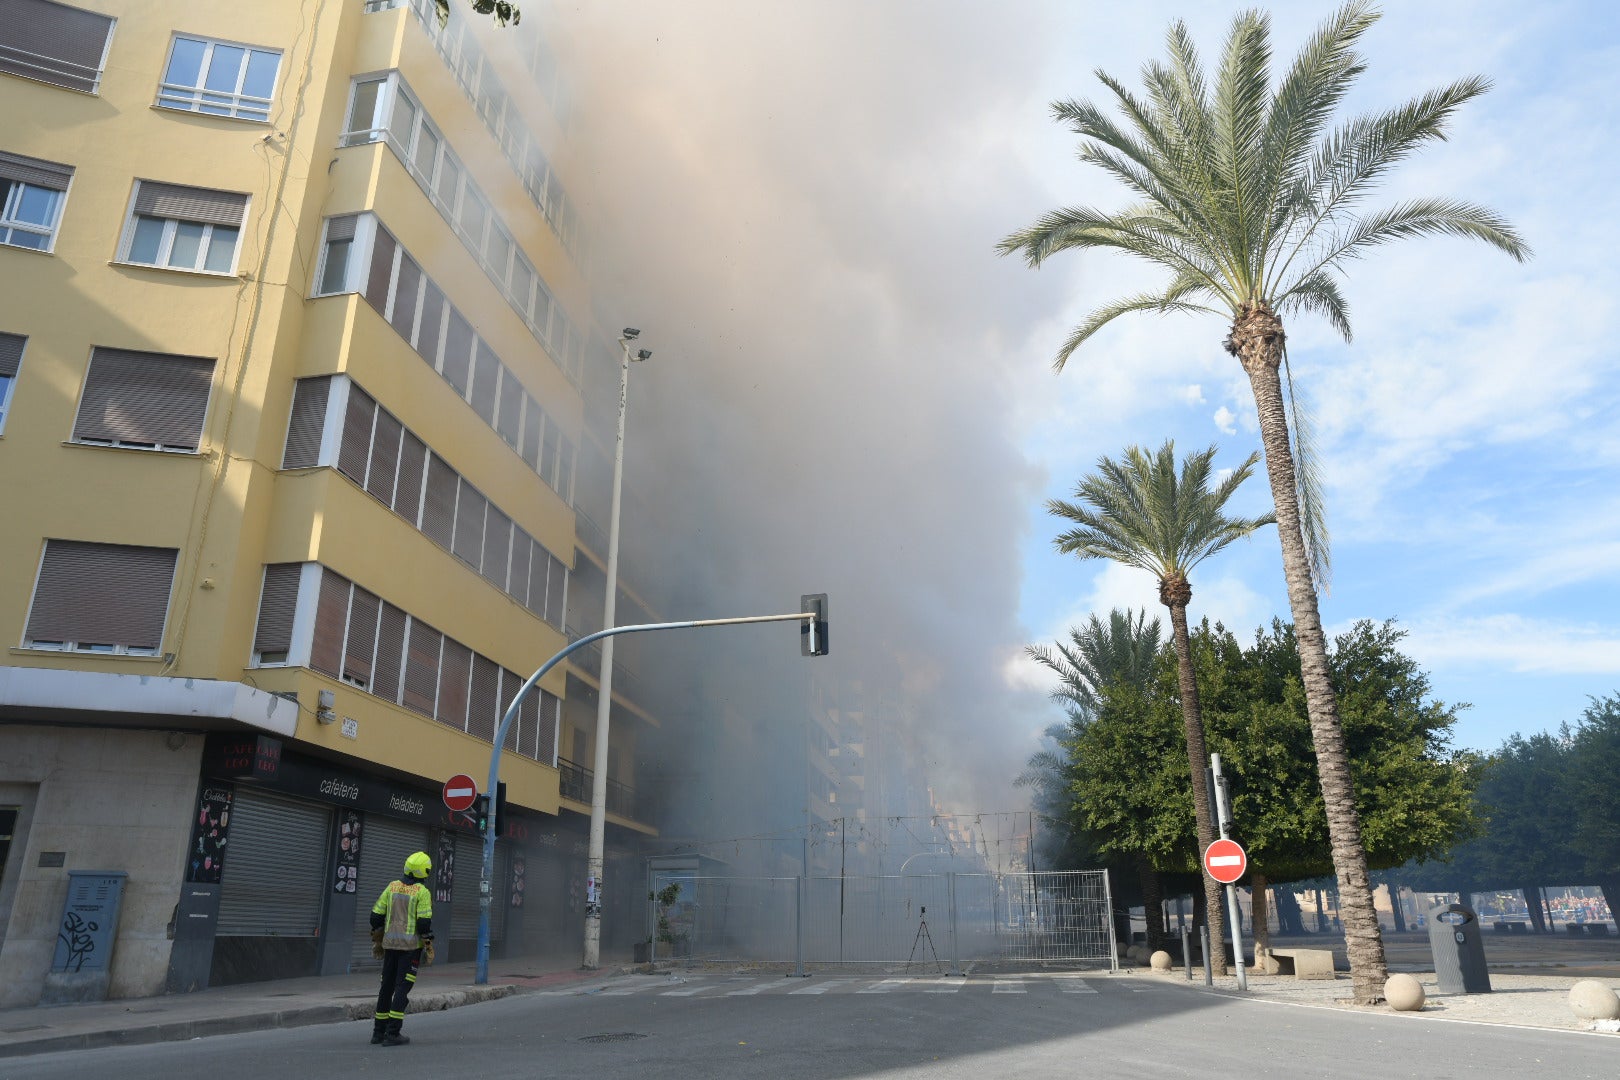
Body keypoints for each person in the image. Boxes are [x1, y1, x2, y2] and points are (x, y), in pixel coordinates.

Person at [370, 850, 435, 1046]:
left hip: (389, 947)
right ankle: (393, 1033)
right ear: (424, 871)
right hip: (409, 950)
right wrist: (428, 943)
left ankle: (378, 1033)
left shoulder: (392, 887)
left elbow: (375, 917)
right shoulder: (422, 892)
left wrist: (379, 936)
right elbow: (424, 925)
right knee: (401, 989)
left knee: (386, 988)